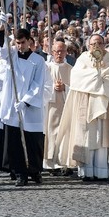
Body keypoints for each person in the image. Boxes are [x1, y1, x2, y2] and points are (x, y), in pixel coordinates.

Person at [55, 33, 109, 182]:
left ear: (104, 45)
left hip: (105, 105)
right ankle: (86, 172)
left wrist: (100, 78)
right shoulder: (83, 59)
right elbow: (76, 78)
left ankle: (101, 172)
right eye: (94, 43)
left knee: (103, 141)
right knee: (87, 139)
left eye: (100, 43)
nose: (97, 46)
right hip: (86, 104)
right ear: (88, 46)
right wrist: (97, 77)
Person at [0, 16, 46, 187]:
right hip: (12, 106)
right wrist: (2, 26)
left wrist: (26, 101)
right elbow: (1, 46)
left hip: (30, 108)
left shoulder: (38, 61)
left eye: (23, 42)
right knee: (14, 142)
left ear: (30, 41)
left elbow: (38, 84)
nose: (20, 45)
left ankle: (34, 171)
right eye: (17, 42)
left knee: (32, 141)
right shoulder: (12, 55)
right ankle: (20, 172)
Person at [43, 41, 72, 172]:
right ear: (52, 52)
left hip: (66, 105)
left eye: (62, 51)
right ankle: (50, 163)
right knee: (51, 133)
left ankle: (64, 162)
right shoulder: (46, 68)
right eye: (56, 51)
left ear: (66, 52)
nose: (59, 54)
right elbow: (42, 85)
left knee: (66, 133)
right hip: (51, 105)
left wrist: (65, 87)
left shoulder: (71, 69)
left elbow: (76, 88)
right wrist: (53, 88)